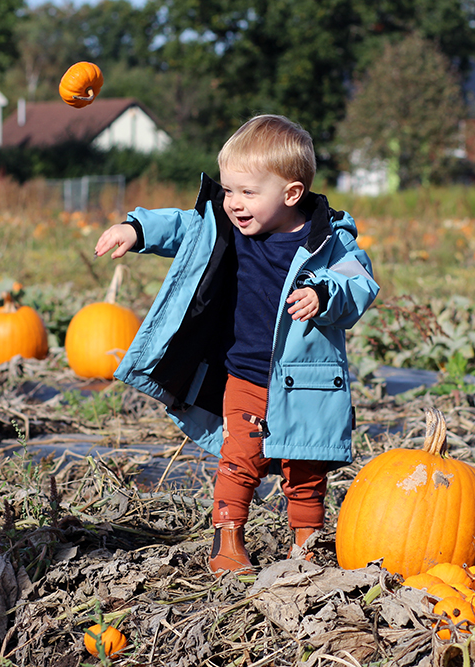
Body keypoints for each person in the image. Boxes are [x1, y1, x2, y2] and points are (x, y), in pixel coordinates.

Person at [94, 115, 379, 574]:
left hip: (307, 381)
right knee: (239, 459)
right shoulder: (226, 227)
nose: (233, 203)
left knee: (305, 471)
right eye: (228, 190)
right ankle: (227, 540)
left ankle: (305, 543)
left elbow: (358, 282)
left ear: (291, 194)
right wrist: (137, 230)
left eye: (248, 192)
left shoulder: (328, 242)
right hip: (244, 374)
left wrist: (324, 293)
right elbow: (184, 226)